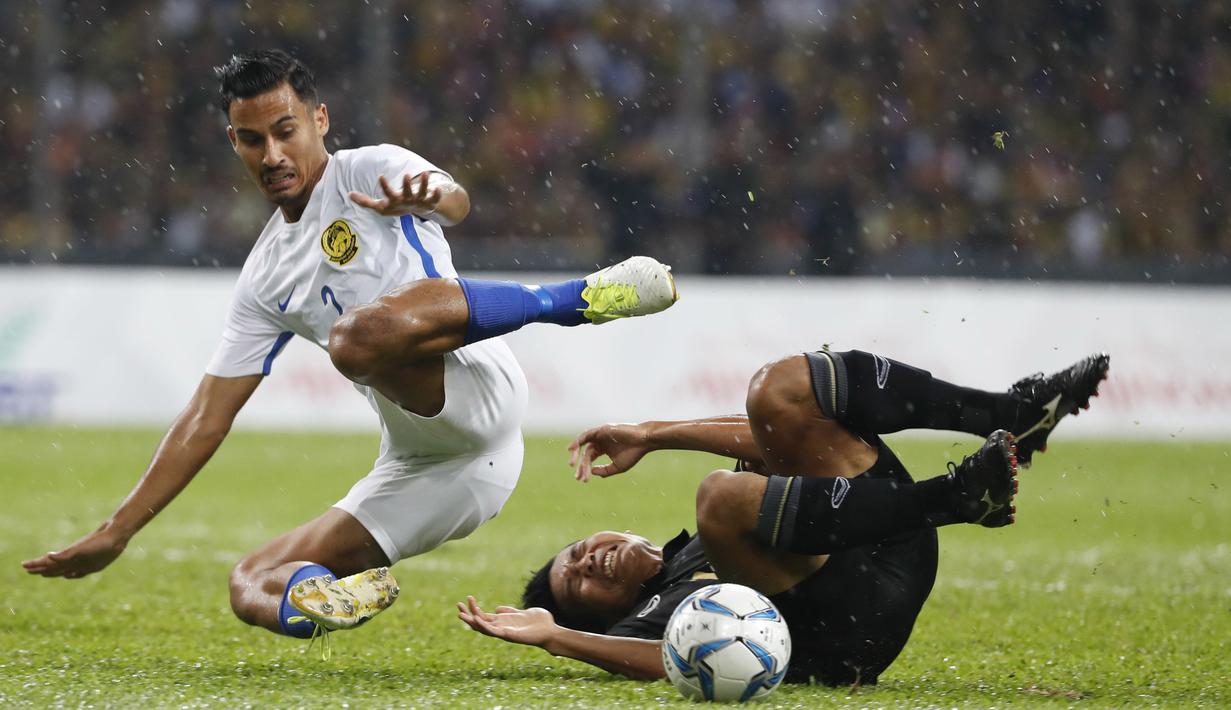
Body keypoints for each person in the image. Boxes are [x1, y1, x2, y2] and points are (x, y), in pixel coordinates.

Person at [21, 49, 678, 644]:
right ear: (233, 141)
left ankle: (575, 300)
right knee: (250, 580)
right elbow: (205, 417)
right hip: (438, 471)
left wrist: (432, 195)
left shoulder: (371, 170)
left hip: (477, 389)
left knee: (354, 340)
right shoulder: (264, 277)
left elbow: (455, 201)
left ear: (320, 120)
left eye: (286, 131)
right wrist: (118, 530)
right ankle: (325, 600)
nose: (272, 155)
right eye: (252, 139)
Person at [458, 350, 1109, 686]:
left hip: (887, 541)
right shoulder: (647, 617)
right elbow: (658, 660)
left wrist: (652, 433)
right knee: (721, 495)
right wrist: (556, 636)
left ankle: (1010, 413)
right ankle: (956, 498)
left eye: (578, 550)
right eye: (579, 582)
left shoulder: (697, 545)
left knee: (778, 392)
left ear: (619, 527)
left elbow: (766, 437)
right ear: (602, 614)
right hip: (848, 639)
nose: (589, 561)